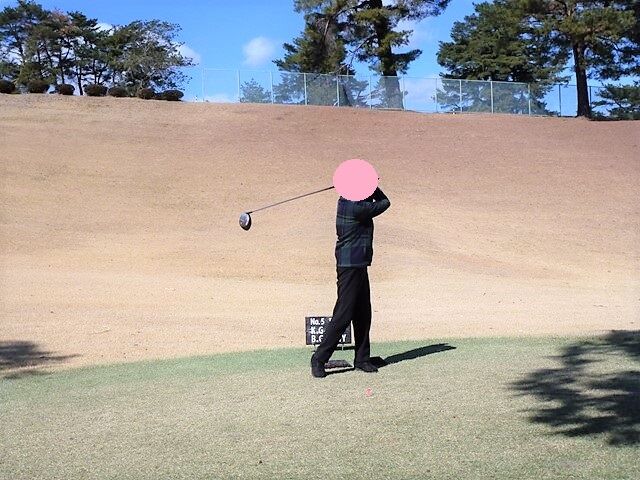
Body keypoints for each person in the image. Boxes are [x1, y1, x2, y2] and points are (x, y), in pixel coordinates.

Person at [311, 186, 391, 378]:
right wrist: (374, 188)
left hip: (358, 263)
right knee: (344, 314)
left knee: (363, 312)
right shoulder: (356, 207)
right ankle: (319, 358)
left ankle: (362, 359)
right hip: (350, 266)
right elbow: (385, 203)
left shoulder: (348, 201)